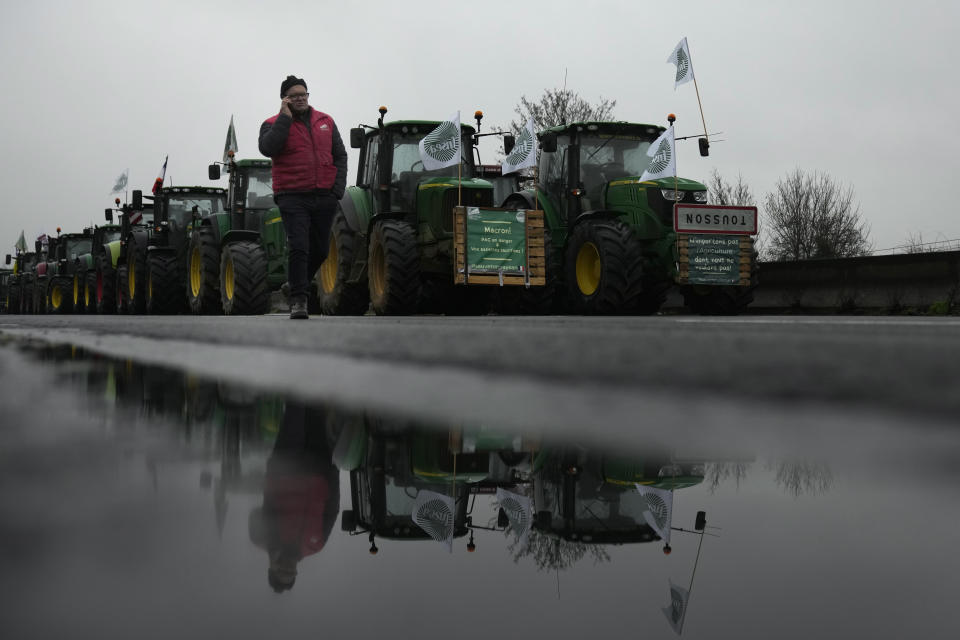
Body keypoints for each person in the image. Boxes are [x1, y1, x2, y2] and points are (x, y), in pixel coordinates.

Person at [259, 75, 348, 319]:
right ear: (284, 99)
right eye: (294, 95)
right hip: (291, 195)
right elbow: (268, 148)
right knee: (299, 246)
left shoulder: (326, 121)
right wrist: (285, 119)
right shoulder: (271, 123)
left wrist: (336, 190)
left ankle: (293, 284)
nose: (300, 98)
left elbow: (340, 156)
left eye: (303, 94)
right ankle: (299, 300)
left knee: (320, 250)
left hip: (324, 195)